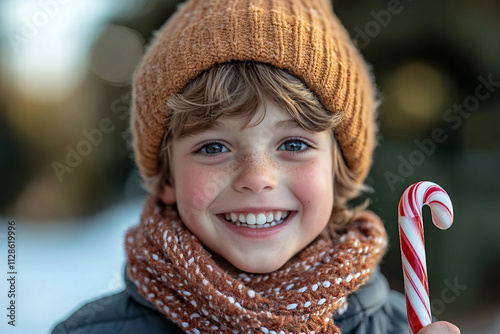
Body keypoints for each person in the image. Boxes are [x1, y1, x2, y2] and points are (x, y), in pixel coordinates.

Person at [53, 0, 460, 333]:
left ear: (339, 173)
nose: (257, 178)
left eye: (295, 143)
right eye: (213, 147)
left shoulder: (398, 327)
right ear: (167, 177)